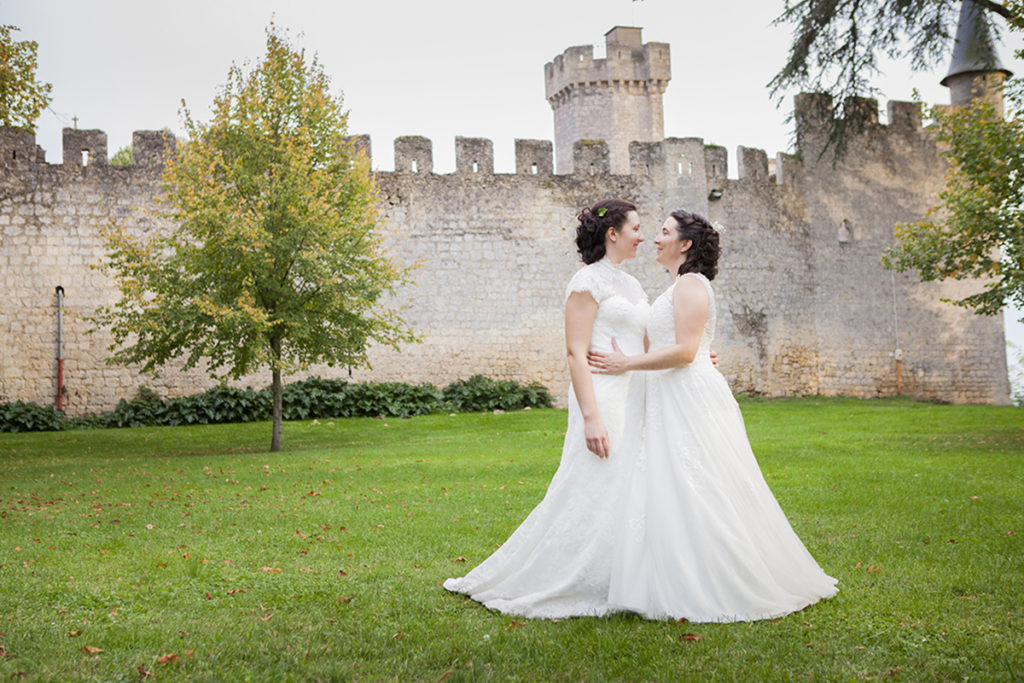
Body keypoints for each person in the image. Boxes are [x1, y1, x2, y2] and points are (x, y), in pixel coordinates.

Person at [588, 209, 838, 622]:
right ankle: (661, 575)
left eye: (665, 232)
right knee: (670, 483)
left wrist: (626, 363)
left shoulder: (689, 284)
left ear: (685, 244)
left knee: (700, 482)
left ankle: (717, 576)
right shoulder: (677, 287)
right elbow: (687, 344)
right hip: (668, 392)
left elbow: (687, 352)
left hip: (686, 393)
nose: (655, 238)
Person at [443, 199, 649, 618]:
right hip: (602, 395)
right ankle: (575, 575)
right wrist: (591, 416)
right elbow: (575, 353)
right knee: (593, 483)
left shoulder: (634, 286)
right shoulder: (585, 282)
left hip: (633, 393)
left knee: (627, 484)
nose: (642, 236)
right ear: (613, 233)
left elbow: (647, 344)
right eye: (636, 228)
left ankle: (623, 574)